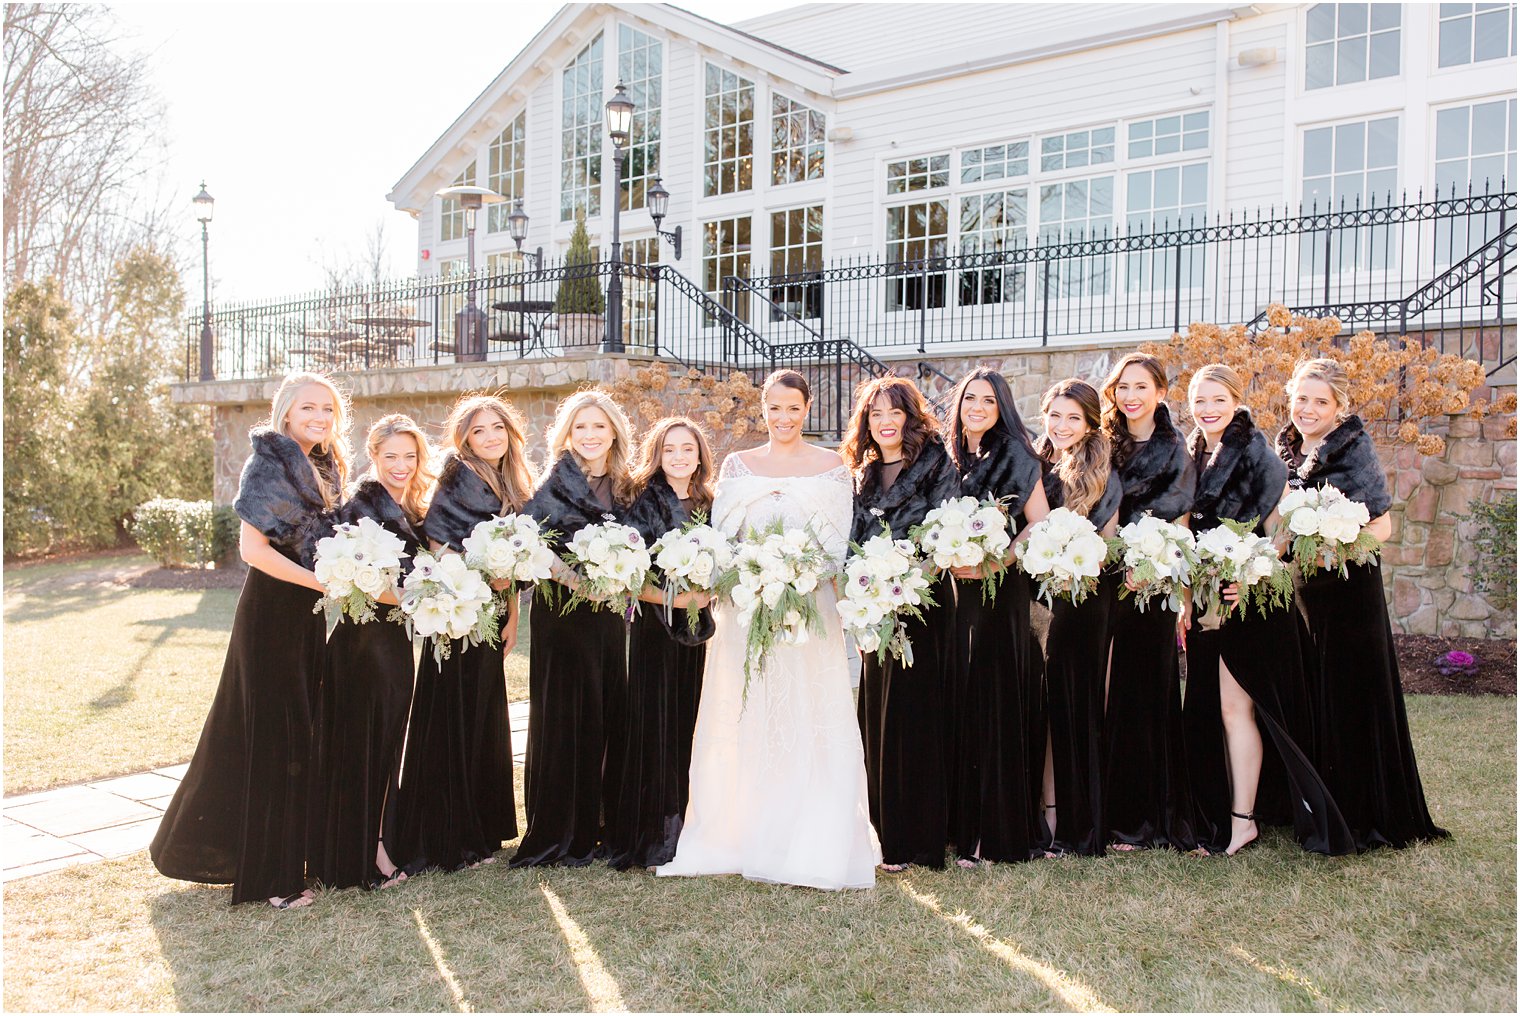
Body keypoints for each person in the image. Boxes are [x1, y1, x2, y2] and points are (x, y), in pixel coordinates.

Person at [658, 369, 881, 889]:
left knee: (808, 709)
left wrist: (798, 576)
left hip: (808, 610)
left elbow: (836, 548)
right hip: (747, 611)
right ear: (763, 410)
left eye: (793, 409)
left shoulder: (831, 469)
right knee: (749, 710)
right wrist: (755, 575)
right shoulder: (738, 465)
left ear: (807, 410)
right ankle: (743, 829)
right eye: (774, 408)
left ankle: (811, 831)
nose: (783, 418)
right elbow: (722, 541)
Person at [150, 371, 349, 908]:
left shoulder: (327, 465)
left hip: (308, 612)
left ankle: (297, 855)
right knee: (274, 738)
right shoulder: (270, 462)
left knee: (298, 733)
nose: (319, 417)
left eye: (328, 410)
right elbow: (253, 551)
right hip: (270, 613)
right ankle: (272, 880)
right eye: (309, 408)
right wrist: (322, 581)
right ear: (286, 412)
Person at [1276, 358, 1448, 851]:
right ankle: (1318, 806)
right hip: (1306, 589)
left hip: (1350, 589)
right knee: (1315, 691)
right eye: (1302, 398)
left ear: (1339, 406)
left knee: (1353, 694)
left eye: (1320, 402)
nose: (1308, 409)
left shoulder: (1354, 447)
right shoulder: (1285, 447)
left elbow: (1383, 526)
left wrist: (1338, 540)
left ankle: (1363, 814)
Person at [1183, 364, 1354, 856]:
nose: (1208, 409)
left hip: (1248, 599)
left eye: (1218, 399)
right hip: (1208, 596)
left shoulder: (1255, 450)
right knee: (1214, 708)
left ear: (1236, 401)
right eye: (1200, 400)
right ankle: (1221, 811)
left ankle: (1242, 822)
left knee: (1237, 710)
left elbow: (1282, 527)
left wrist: (1250, 567)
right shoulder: (1197, 451)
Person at [395, 394, 531, 871]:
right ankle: (447, 836)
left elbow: (511, 560)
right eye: (478, 431)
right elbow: (438, 544)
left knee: (481, 712)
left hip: (493, 609)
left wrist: (512, 613)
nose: (489, 437)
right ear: (464, 439)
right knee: (452, 713)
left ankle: (482, 829)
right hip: (456, 610)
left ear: (510, 431)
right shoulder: (459, 473)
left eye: (497, 427)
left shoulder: (511, 477)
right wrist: (478, 581)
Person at [512, 389, 636, 868]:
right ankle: (562, 830)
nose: (589, 435)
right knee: (566, 717)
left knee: (606, 713)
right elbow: (534, 547)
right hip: (562, 614)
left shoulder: (626, 487)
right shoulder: (553, 484)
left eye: (598, 426)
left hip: (606, 617)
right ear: (567, 434)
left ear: (613, 433)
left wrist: (619, 579)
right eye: (580, 427)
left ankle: (602, 823)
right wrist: (578, 581)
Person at [310, 414, 433, 891]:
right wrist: (418, 596)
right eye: (390, 457)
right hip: (362, 643)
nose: (400, 466)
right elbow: (345, 574)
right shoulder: (359, 505)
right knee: (360, 747)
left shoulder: (414, 506)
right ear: (373, 456)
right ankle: (359, 853)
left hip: (396, 642)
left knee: (386, 746)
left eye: (409, 456)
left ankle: (380, 840)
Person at [842, 375, 958, 871]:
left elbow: (945, 533)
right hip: (873, 608)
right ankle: (885, 834)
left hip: (921, 605)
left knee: (917, 716)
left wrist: (906, 584)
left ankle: (921, 839)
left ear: (911, 418)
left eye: (895, 413)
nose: (885, 423)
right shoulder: (864, 474)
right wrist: (864, 589)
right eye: (876, 415)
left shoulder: (937, 464)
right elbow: (852, 541)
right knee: (878, 714)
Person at [944, 367, 1050, 867]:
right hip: (950, 592)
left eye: (989, 400)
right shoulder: (946, 458)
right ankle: (956, 827)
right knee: (958, 698)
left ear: (1002, 407)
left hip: (999, 587)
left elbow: (1040, 523)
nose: (979, 407)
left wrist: (998, 560)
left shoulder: (1018, 455)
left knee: (992, 700)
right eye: (971, 399)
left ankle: (994, 832)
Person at [605, 416, 717, 871]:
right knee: (657, 724)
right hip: (656, 628)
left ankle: (692, 826)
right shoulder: (642, 501)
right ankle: (656, 835)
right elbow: (630, 578)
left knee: (692, 723)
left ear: (699, 455)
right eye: (669, 449)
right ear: (657, 454)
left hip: (699, 630)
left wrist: (706, 591)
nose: (678, 457)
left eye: (687, 449)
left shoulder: (709, 502)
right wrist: (678, 596)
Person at [1098, 353, 1198, 852]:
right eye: (1123, 387)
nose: (1131, 396)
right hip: (1100, 576)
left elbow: (1178, 522)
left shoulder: (1175, 448)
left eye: (1141, 387)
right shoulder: (1105, 440)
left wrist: (1169, 583)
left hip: (1149, 579)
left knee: (1143, 691)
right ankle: (1105, 808)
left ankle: (1143, 819)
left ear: (1160, 392)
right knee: (1106, 690)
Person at [1036, 379, 1123, 858]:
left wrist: (1077, 559)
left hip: (1086, 595)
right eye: (1055, 415)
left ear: (1090, 422)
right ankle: (1046, 814)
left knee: (1075, 706)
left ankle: (1080, 823)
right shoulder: (1034, 463)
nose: (1062, 426)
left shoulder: (1104, 469)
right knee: (1043, 707)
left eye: (1073, 417)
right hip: (1037, 596)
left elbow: (1108, 540)